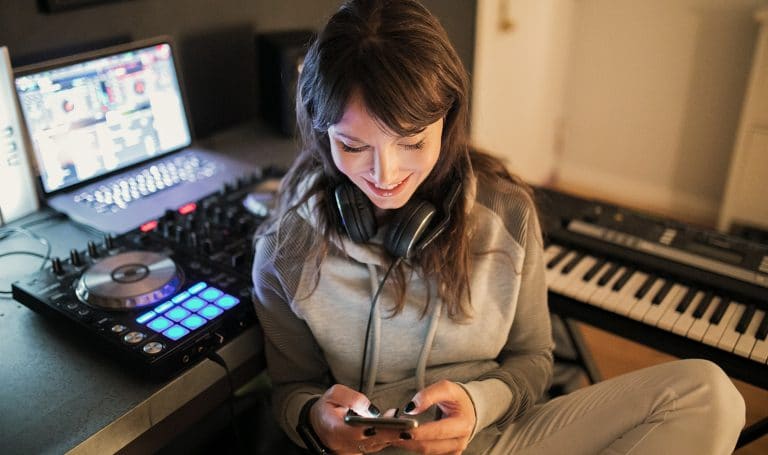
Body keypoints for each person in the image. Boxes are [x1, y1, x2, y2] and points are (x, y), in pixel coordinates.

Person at [251, 0, 746, 453]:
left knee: (709, 393)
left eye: (412, 143)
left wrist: (479, 404)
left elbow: (534, 358)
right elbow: (292, 390)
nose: (385, 176)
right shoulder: (284, 252)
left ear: (448, 119)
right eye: (354, 147)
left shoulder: (507, 213)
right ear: (320, 131)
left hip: (503, 440)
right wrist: (315, 417)